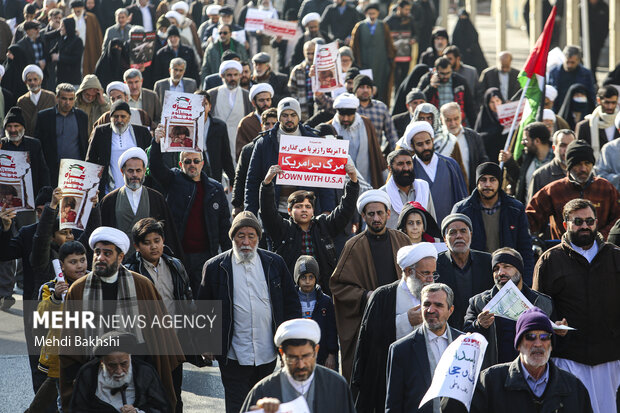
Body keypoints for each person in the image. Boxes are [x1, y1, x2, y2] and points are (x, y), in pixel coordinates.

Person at [58, 227, 185, 410]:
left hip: (138, 376)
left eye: (107, 253)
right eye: (97, 252)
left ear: (120, 257)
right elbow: (70, 343)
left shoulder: (142, 285)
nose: (100, 258)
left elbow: (160, 338)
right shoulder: (78, 290)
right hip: (95, 379)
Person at [198, 211, 301, 413]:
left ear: (258, 238)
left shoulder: (274, 263)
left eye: (251, 236)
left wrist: (290, 343)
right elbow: (204, 307)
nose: (245, 241)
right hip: (233, 354)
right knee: (238, 407)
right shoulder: (215, 267)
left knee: (263, 407)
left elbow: (291, 304)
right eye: (240, 236)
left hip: (267, 353)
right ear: (233, 238)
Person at [533, 198, 620, 413]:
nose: (584, 226)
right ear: (565, 225)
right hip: (569, 357)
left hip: (610, 357)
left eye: (589, 221)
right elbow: (537, 312)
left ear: (596, 223)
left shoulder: (615, 257)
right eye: (578, 221)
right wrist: (552, 325)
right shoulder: (550, 260)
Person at [330, 189, 411, 382]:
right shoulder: (354, 245)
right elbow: (338, 286)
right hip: (370, 323)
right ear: (363, 216)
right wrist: (366, 295)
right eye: (371, 214)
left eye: (380, 213)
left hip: (401, 317)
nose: (376, 218)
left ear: (388, 214)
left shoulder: (402, 240)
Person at [352, 243, 439, 412]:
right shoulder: (383, 296)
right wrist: (405, 320)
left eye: (433, 273)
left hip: (426, 375)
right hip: (390, 376)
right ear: (408, 271)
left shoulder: (436, 294)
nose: (430, 279)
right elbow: (371, 337)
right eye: (425, 273)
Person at [149, 124, 231, 294]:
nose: (192, 165)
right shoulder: (173, 179)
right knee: (180, 297)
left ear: (203, 163)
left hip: (206, 255)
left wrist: (229, 255)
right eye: (187, 161)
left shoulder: (215, 189)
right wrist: (156, 142)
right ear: (181, 163)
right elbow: (156, 168)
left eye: (196, 161)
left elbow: (224, 226)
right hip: (178, 254)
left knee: (205, 298)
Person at [463, 308, 593, 413]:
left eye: (544, 337)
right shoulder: (490, 382)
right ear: (518, 344)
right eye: (530, 337)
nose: (538, 344)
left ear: (551, 345)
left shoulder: (574, 388)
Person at [260, 160, 359, 294]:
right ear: (289, 211)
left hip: (324, 290)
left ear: (313, 210)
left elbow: (345, 210)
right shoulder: (283, 229)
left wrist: (353, 181)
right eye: (298, 207)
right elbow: (268, 212)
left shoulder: (324, 226)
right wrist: (267, 183)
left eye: (308, 206)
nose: (304, 210)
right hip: (290, 291)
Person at [462, 247, 556, 367]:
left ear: (519, 270)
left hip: (532, 373)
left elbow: (553, 343)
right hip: (492, 376)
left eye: (506, 266)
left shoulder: (543, 303)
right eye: (496, 269)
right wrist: (478, 325)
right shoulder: (479, 303)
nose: (500, 273)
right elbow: (465, 337)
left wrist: (559, 331)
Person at [241, 318, 355, 413]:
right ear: (282, 353)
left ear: (316, 350)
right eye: (293, 358)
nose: (301, 365)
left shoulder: (336, 385)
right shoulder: (263, 391)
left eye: (306, 356)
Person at [25, 240, 87, 413]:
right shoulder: (50, 288)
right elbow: (41, 318)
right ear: (61, 265)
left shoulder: (92, 281)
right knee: (56, 397)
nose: (80, 266)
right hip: (60, 353)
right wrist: (57, 298)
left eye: (82, 260)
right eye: (73, 262)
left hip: (87, 351)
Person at [384, 283, 462, 413]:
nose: (431, 310)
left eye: (438, 305)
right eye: (426, 304)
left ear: (450, 310)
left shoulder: (464, 343)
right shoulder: (401, 350)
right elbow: (393, 404)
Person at [245, 97, 330, 215]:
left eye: (293, 115)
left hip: (306, 212)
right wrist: (249, 213)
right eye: (285, 115)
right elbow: (252, 181)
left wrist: (327, 210)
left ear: (299, 116)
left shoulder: (314, 142)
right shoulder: (264, 143)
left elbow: (325, 181)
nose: (289, 119)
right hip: (274, 211)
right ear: (279, 117)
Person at [453, 162, 535, 283]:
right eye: (483, 180)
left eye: (492, 180)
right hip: (473, 276)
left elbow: (525, 249)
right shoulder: (462, 210)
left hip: (508, 276)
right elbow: (453, 248)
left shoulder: (515, 209)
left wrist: (526, 282)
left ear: (499, 182)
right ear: (477, 182)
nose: (487, 184)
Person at [99, 147, 182, 260]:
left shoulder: (156, 198)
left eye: (138, 171)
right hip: (120, 264)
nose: (134, 175)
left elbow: (169, 235)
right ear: (122, 172)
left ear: (144, 171)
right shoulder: (110, 200)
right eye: (130, 171)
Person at [527, 140, 620, 240]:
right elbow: (530, 219)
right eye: (578, 164)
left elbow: (617, 218)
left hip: (600, 251)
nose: (583, 168)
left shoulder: (605, 188)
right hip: (564, 252)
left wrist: (601, 236)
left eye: (587, 163)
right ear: (568, 166)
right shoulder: (554, 190)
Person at [70, 331, 173, 413]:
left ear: (130, 357)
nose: (119, 371)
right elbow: (77, 408)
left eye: (124, 364)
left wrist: (137, 412)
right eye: (112, 365)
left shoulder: (145, 372)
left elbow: (162, 408)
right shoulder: (88, 374)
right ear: (102, 362)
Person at [436, 213, 493, 331]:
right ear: (445, 239)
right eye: (452, 232)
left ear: (470, 235)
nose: (459, 236)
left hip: (483, 330)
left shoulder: (488, 262)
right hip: (447, 332)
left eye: (463, 231)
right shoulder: (436, 265)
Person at [404, 120, 467, 224]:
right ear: (412, 146)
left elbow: (462, 199)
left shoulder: (450, 164)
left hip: (449, 229)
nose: (425, 147)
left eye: (428, 142)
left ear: (433, 140)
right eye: (420, 144)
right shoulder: (409, 169)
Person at [85, 100, 152, 196]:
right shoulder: (100, 132)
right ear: (110, 117)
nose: (119, 120)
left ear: (129, 117)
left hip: (137, 185)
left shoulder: (142, 132)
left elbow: (150, 160)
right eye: (116, 116)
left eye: (123, 116)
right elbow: (90, 161)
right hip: (109, 187)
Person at [330, 93, 387, 188]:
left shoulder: (366, 124)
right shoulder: (330, 128)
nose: (345, 119)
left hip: (367, 181)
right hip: (342, 185)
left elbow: (376, 152)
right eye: (342, 115)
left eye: (349, 115)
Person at [293, 256, 338, 369]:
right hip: (299, 354)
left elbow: (331, 329)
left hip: (322, 354)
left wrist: (332, 354)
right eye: (303, 277)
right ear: (297, 279)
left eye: (311, 277)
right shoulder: (292, 301)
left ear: (316, 278)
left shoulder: (325, 301)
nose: (307, 281)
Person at [232, 108, 277, 216]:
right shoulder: (249, 150)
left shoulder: (284, 149)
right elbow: (240, 177)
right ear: (261, 125)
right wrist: (237, 205)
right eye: (267, 124)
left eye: (274, 124)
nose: (270, 127)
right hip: (256, 201)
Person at [350, 3, 395, 104]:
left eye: (374, 13)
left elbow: (389, 44)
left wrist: (390, 60)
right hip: (365, 63)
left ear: (378, 13)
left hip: (381, 64)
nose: (372, 16)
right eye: (370, 13)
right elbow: (354, 46)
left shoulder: (383, 26)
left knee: (381, 87)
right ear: (366, 13)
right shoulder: (359, 26)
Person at [208, 60, 252, 162]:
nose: (233, 78)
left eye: (235, 75)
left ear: (240, 75)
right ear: (222, 76)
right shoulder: (212, 95)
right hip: (217, 142)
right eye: (229, 75)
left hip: (239, 143)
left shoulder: (247, 96)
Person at [500, 122, 553, 204]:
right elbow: (520, 181)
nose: (522, 142)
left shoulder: (557, 160)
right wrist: (509, 162)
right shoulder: (527, 158)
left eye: (525, 139)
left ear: (537, 141)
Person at [1, 106, 50, 196]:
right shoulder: (1, 145)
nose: (13, 130)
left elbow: (43, 173)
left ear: (23, 128)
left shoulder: (34, 145)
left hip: (32, 195)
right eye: (9, 126)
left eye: (16, 126)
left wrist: (44, 198)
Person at [381, 149, 435, 228]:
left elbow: (432, 222)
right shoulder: (383, 195)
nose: (406, 168)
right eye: (400, 164)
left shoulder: (423, 188)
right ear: (390, 168)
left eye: (409, 163)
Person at [441, 102, 488, 191]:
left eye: (456, 118)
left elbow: (483, 161)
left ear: (461, 116)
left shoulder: (473, 137)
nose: (453, 123)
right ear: (441, 119)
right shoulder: (437, 141)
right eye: (448, 120)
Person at [419, 56, 476, 127]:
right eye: (442, 73)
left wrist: (474, 127)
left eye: (448, 73)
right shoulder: (427, 79)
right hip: (434, 124)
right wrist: (431, 87)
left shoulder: (460, 81)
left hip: (456, 124)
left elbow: (470, 106)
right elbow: (420, 102)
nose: (445, 76)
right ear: (435, 71)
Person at [527, 129, 575, 204]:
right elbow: (532, 210)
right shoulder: (541, 176)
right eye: (563, 145)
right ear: (554, 148)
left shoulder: (582, 172)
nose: (567, 150)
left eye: (571, 145)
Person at [353, 74, 398, 151]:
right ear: (355, 90)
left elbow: (391, 135)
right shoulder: (349, 107)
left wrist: (397, 153)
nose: (365, 90)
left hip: (374, 155)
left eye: (368, 87)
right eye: (362, 87)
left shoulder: (381, 107)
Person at [548, 46, 596, 113]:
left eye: (572, 62)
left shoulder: (586, 74)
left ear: (578, 60)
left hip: (578, 111)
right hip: (558, 110)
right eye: (568, 62)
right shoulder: (554, 72)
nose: (569, 65)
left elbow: (591, 94)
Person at [575, 85, 620, 157]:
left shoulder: (618, 123)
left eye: (613, 103)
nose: (610, 106)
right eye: (607, 102)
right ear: (599, 100)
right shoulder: (584, 127)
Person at [235, 83, 273, 159]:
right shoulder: (246, 123)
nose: (266, 104)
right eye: (261, 100)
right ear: (253, 103)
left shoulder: (279, 119)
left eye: (268, 100)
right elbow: (241, 152)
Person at [384, 1, 416, 91]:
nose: (408, 12)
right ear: (399, 8)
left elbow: (416, 34)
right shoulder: (389, 21)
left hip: (406, 56)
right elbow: (384, 37)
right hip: (393, 56)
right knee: (395, 81)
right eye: (406, 9)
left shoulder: (410, 20)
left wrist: (413, 39)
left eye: (409, 10)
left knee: (405, 80)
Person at [16, 65, 55, 138]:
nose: (32, 82)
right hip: (30, 139)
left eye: (35, 79)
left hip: (48, 137)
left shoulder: (50, 97)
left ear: (40, 80)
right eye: (29, 80)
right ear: (25, 82)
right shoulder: (21, 101)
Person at [68, 0, 103, 76]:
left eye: (79, 8)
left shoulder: (91, 18)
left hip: (89, 49)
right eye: (75, 8)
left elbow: (98, 36)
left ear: (83, 8)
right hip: (74, 51)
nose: (77, 10)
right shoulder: (69, 19)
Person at [450, 8, 487, 74]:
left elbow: (475, 40)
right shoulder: (457, 30)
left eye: (465, 17)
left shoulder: (471, 29)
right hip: (460, 53)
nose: (463, 19)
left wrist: (470, 48)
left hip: (472, 54)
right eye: (461, 17)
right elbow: (454, 41)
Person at [287, 40, 316, 121]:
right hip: (303, 108)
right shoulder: (297, 70)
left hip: (317, 106)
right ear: (304, 53)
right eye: (308, 53)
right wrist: (298, 103)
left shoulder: (321, 69)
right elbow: (291, 89)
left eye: (312, 53)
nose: (310, 57)